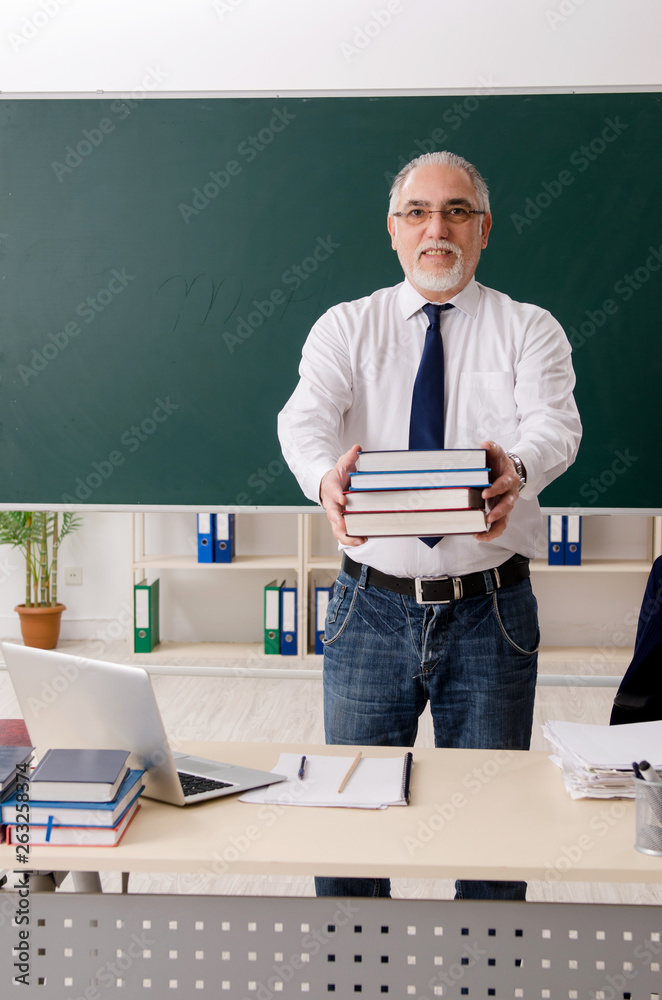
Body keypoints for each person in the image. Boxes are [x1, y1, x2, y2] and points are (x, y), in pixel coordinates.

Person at [278, 151, 582, 900]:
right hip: (368, 609)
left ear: (485, 231)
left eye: (456, 212)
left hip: (491, 614)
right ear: (393, 230)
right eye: (417, 212)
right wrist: (324, 476)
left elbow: (557, 425)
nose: (435, 228)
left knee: (491, 835)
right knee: (350, 828)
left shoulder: (528, 328)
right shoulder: (347, 327)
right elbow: (304, 418)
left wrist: (517, 462)